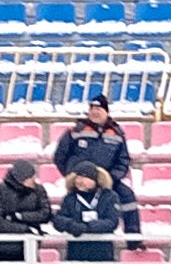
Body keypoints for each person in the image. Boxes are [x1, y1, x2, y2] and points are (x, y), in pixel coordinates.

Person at [54, 94, 139, 237]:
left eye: (99, 109)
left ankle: (134, 237)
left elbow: (123, 160)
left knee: (127, 196)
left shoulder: (117, 133)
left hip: (108, 180)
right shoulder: (75, 131)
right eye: (92, 108)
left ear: (106, 111)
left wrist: (111, 178)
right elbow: (60, 156)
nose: (95, 112)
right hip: (81, 180)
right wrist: (73, 175)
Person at [56, 163, 120, 264]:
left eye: (85, 177)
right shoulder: (70, 198)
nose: (80, 180)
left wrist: (88, 227)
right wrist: (71, 225)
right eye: (78, 177)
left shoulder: (109, 197)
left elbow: (112, 221)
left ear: (95, 179)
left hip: (101, 263)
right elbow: (58, 220)